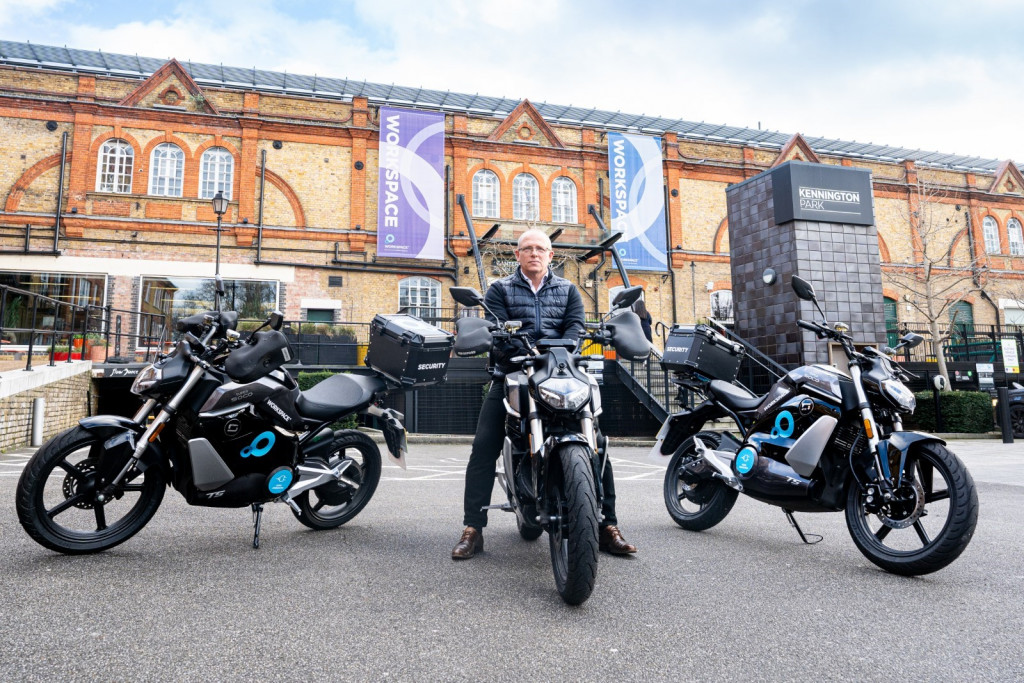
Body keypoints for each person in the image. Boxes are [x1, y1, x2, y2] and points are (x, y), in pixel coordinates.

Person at [452, 228, 637, 559]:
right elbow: (495, 329)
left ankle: (607, 525)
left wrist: (561, 347)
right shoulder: (500, 289)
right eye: (527, 248)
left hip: (560, 371)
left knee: (597, 441)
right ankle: (472, 528)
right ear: (517, 255)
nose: (534, 253)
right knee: (483, 447)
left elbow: (576, 328)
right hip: (513, 372)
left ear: (551, 255)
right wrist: (522, 346)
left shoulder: (568, 289)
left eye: (540, 248)